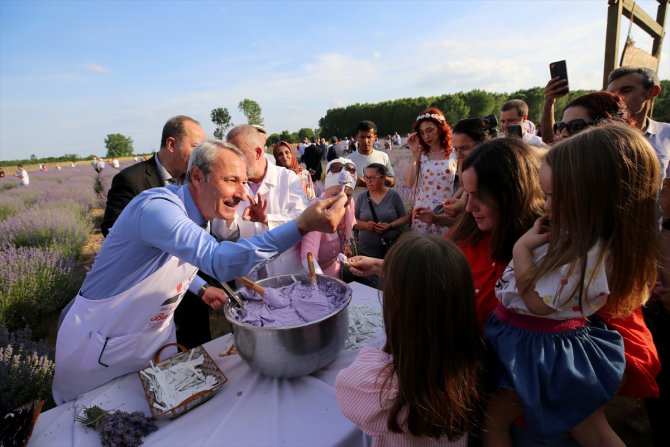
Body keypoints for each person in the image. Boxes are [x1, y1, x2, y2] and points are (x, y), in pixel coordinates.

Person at [53, 139, 349, 404]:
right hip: (101, 349)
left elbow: (167, 261)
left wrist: (200, 288)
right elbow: (219, 261)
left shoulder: (200, 212)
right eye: (232, 180)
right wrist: (301, 225)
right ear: (197, 176)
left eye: (244, 181)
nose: (242, 193)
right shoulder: (157, 209)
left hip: (154, 341)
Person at [483, 123, 660, 446]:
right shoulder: (586, 239)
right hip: (541, 343)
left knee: (497, 423)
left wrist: (522, 249)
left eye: (554, 196)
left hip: (537, 347)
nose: (546, 206)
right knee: (585, 426)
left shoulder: (585, 254)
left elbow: (537, 303)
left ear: (597, 197)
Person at [336, 233, 484, 446]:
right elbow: (431, 281)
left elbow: (345, 389)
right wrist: (382, 266)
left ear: (397, 312)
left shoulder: (381, 387)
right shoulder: (470, 359)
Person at [100, 115, 211, 349]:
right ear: (172, 144)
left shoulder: (195, 179)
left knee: (198, 353)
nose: (201, 155)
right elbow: (112, 231)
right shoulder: (131, 180)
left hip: (192, 295)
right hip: (151, 297)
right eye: (195, 147)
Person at [212, 125, 308, 281]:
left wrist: (267, 219)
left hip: (288, 276)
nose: (233, 162)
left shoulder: (287, 178)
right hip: (249, 280)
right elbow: (222, 234)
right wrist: (230, 207)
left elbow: (303, 219)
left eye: (238, 155)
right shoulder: (228, 185)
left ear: (257, 153)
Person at [414, 117, 491, 230]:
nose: (458, 155)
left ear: (481, 144)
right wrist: (434, 218)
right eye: (455, 149)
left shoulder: (491, 174)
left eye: (464, 148)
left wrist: (462, 205)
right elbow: (462, 219)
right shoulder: (469, 170)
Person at [405, 107, 458, 234]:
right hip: (422, 210)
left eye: (430, 130)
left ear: (440, 129)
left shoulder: (454, 153)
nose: (426, 136)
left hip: (446, 210)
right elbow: (408, 183)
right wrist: (414, 156)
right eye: (422, 133)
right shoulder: (422, 154)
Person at [300, 166, 356, 279]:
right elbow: (308, 256)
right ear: (325, 192)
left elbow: (344, 234)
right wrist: (320, 285)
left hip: (336, 271)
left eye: (348, 195)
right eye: (335, 195)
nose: (342, 200)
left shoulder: (348, 207)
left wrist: (345, 247)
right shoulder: (317, 213)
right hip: (314, 278)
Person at [354, 163, 408, 266]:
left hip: (390, 250)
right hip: (366, 252)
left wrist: (389, 225)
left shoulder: (393, 196)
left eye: (372, 178)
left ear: (383, 178)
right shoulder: (362, 197)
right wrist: (366, 225)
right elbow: (353, 220)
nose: (368, 181)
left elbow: (404, 218)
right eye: (366, 177)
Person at [347, 120, 395, 199]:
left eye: (369, 137)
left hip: (380, 207)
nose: (366, 141)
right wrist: (353, 182)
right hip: (358, 208)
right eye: (362, 137)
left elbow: (392, 182)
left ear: (375, 138)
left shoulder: (383, 156)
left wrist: (375, 180)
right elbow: (342, 188)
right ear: (357, 138)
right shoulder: (348, 160)